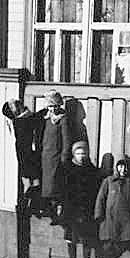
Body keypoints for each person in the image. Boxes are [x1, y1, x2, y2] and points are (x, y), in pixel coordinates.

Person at [60, 140, 101, 258]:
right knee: (71, 238)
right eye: (78, 153)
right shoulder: (67, 169)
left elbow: (95, 192)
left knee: (86, 240)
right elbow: (63, 190)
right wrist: (61, 205)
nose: (81, 156)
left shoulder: (92, 170)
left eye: (84, 153)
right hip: (71, 210)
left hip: (86, 211)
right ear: (73, 154)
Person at [39, 89, 76, 218]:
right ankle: (48, 208)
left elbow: (67, 140)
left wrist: (64, 157)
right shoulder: (46, 119)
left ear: (59, 106)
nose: (52, 109)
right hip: (46, 158)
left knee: (56, 186)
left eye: (54, 106)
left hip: (56, 158)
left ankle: (58, 209)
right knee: (46, 186)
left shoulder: (63, 119)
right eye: (50, 106)